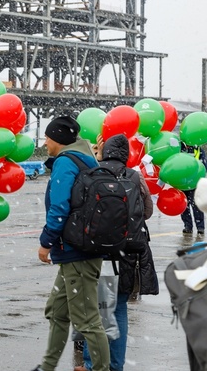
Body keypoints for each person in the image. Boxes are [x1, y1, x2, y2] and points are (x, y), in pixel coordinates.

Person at [30, 116, 109, 371]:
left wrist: (46, 241)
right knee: (57, 311)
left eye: (47, 137)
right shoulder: (85, 158)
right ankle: (47, 366)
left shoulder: (66, 162)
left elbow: (59, 207)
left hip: (77, 252)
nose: (45, 142)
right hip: (79, 249)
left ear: (58, 139)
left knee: (87, 321)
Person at [77, 134, 159, 371]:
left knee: (95, 309)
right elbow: (148, 211)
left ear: (106, 151)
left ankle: (92, 363)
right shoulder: (135, 176)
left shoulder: (92, 173)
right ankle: (115, 365)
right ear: (126, 155)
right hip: (126, 252)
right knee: (119, 308)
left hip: (95, 251)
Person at [181, 142, 206, 238]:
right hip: (182, 182)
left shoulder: (198, 150)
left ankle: (200, 227)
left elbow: (204, 166)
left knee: (196, 206)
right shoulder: (179, 149)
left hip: (194, 183)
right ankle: (188, 226)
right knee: (184, 206)